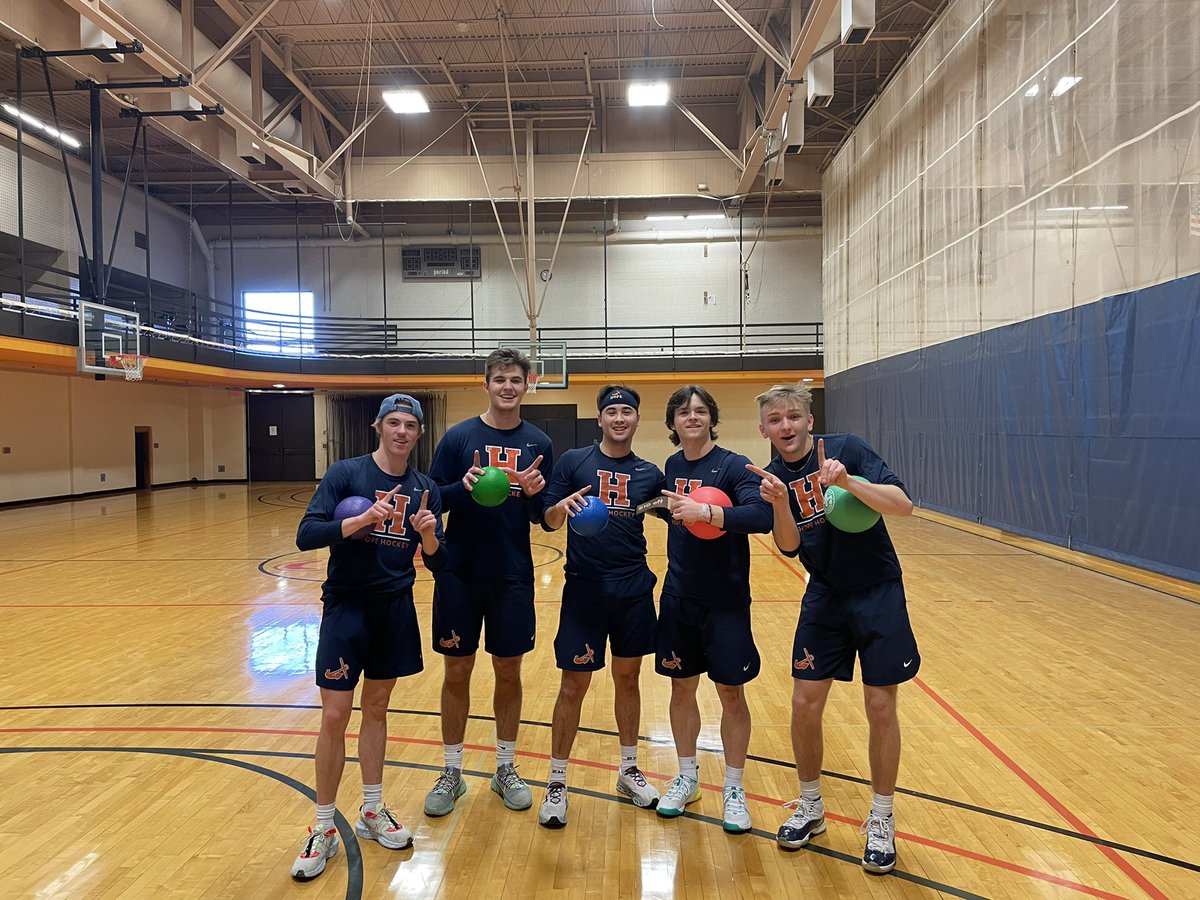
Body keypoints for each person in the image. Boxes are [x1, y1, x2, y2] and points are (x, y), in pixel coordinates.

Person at [748, 382, 917, 875]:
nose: (786, 426)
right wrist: (780, 503)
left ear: (809, 419)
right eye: (775, 420)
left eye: (794, 417)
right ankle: (810, 805)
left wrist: (848, 482)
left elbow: (903, 505)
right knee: (804, 701)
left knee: (880, 704)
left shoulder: (845, 449)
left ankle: (882, 819)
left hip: (878, 589)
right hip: (824, 594)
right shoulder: (774, 477)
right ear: (764, 429)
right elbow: (788, 547)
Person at [290, 393, 445, 881]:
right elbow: (306, 533)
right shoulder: (346, 474)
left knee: (377, 709)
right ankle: (322, 827)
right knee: (335, 714)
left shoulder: (424, 488)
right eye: (394, 423)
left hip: (395, 609)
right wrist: (358, 521)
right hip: (347, 608)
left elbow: (440, 562)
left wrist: (428, 536)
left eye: (411, 426)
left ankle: (373, 810)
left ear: (419, 433)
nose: (402, 432)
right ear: (378, 427)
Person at [424, 348, 554, 816]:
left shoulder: (539, 442)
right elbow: (432, 498)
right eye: (499, 379)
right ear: (486, 384)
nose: (507, 387)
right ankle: (452, 771)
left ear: (527, 384)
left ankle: (505, 767)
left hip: (512, 574)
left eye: (515, 380)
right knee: (456, 671)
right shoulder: (459, 437)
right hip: (460, 573)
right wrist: (464, 486)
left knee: (508, 670)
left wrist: (538, 497)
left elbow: (543, 517)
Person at [536, 385, 666, 828]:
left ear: (635, 420)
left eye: (626, 411)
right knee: (573, 685)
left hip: (632, 589)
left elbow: (676, 514)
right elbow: (548, 521)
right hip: (584, 592)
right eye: (611, 411)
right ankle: (556, 780)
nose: (619, 418)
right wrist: (562, 508)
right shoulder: (574, 462)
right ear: (600, 420)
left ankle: (628, 770)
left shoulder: (649, 472)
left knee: (628, 679)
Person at [653, 384, 773, 834]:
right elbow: (675, 513)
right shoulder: (672, 465)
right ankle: (687, 777)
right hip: (679, 596)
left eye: (701, 411)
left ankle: (735, 788)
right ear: (673, 423)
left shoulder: (733, 465)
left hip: (725, 601)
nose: (692, 418)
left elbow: (759, 516)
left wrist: (707, 515)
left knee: (730, 694)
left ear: (711, 418)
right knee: (681, 690)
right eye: (683, 412)